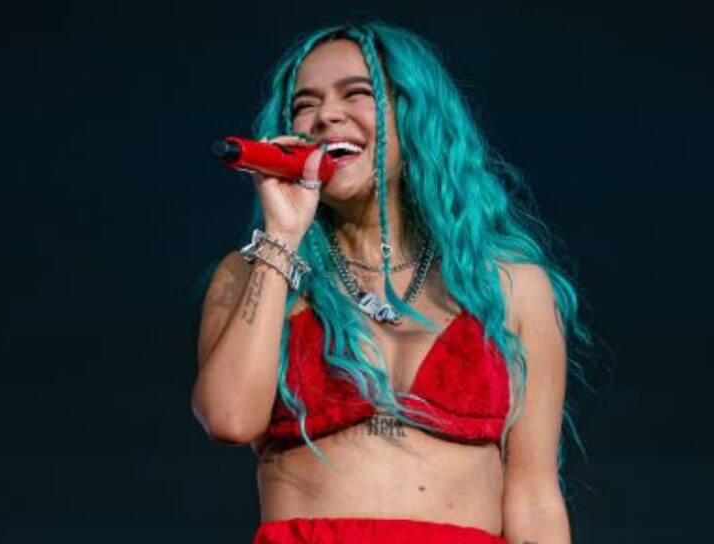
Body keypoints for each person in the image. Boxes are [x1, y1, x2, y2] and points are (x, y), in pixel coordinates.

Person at [192, 21, 592, 544]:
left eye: (356, 93)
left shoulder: (512, 286)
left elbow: (534, 497)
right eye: (305, 104)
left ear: (414, 115)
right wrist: (283, 236)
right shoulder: (255, 271)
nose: (326, 115)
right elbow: (228, 418)